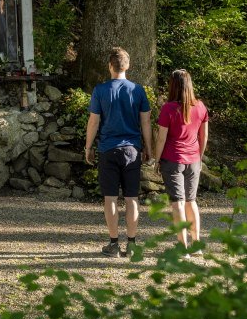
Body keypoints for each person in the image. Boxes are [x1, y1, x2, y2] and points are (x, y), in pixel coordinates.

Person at [85, 47, 153, 258]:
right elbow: (146, 122)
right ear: (128, 66)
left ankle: (113, 244)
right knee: (132, 197)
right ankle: (131, 244)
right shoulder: (138, 90)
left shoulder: (100, 90)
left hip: (108, 149)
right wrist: (148, 148)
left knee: (110, 198)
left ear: (110, 66)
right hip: (132, 150)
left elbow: (94, 121)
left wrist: (88, 147)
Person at [153, 69, 209, 255]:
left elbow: (161, 138)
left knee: (177, 202)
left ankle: (182, 247)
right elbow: (204, 136)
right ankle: (197, 245)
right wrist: (198, 158)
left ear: (173, 85)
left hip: (172, 159)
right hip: (193, 160)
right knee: (191, 201)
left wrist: (156, 160)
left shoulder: (168, 108)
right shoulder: (200, 107)